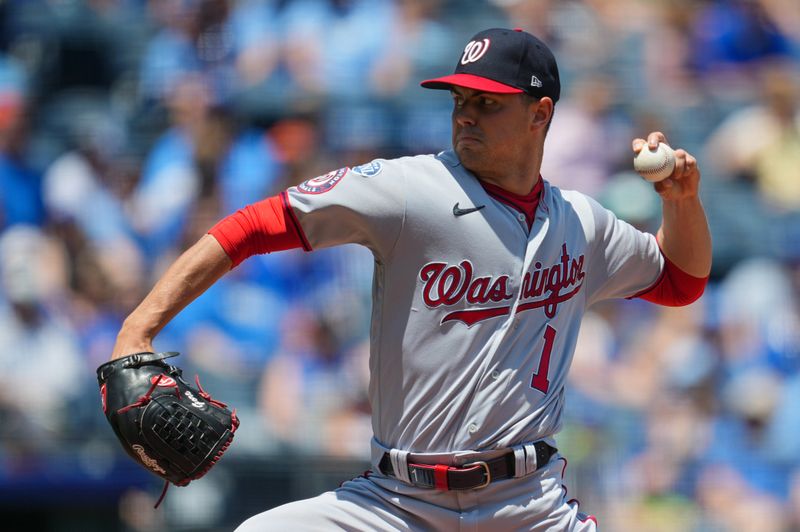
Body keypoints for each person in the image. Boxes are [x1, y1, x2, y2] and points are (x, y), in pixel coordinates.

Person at [111, 28, 712, 530]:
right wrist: (138, 327)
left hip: (528, 506)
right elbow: (251, 227)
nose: (466, 115)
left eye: (488, 103)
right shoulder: (409, 190)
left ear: (541, 114)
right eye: (459, 100)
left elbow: (680, 282)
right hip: (397, 504)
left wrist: (681, 201)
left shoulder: (580, 223)